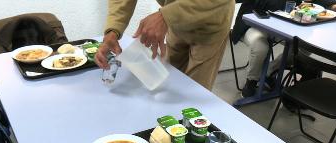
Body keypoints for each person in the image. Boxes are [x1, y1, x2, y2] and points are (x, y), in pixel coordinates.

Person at [95, 0, 235, 91]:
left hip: (210, 22)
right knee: (168, 85)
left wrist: (166, 16)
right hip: (176, 21)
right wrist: (113, 29)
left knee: (194, 94)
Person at [231, 0, 336, 97]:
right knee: (261, 46)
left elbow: (319, 3)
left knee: (305, 47)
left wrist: (335, 7)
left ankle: (269, 71)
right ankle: (252, 80)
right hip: (253, 24)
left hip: (282, 26)